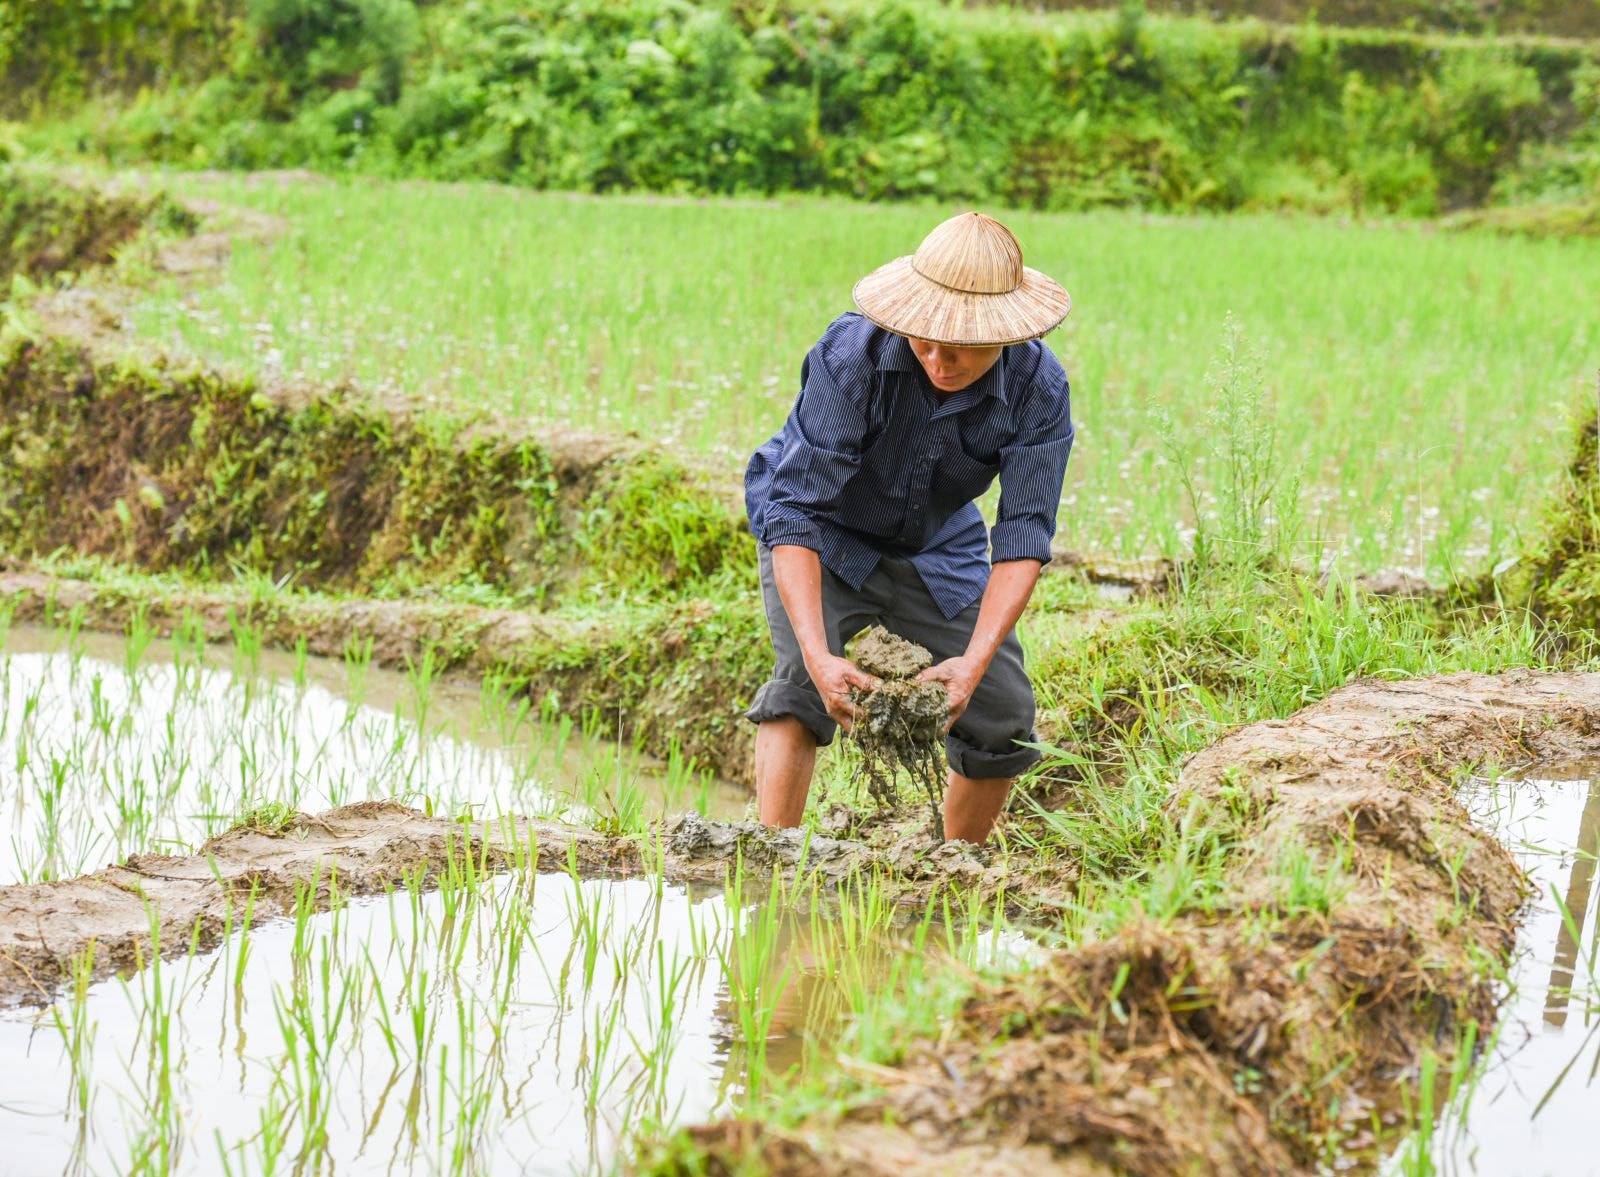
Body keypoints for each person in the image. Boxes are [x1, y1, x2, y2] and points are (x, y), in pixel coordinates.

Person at [743, 211, 1074, 844]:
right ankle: (770, 867)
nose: (937, 357)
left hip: (936, 547)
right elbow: (794, 509)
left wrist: (971, 666)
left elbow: (1024, 536)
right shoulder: (855, 355)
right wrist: (818, 655)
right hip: (827, 537)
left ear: (1003, 333)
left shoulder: (1038, 387)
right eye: (924, 337)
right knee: (799, 686)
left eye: (961, 343)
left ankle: (952, 871)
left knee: (1002, 709)